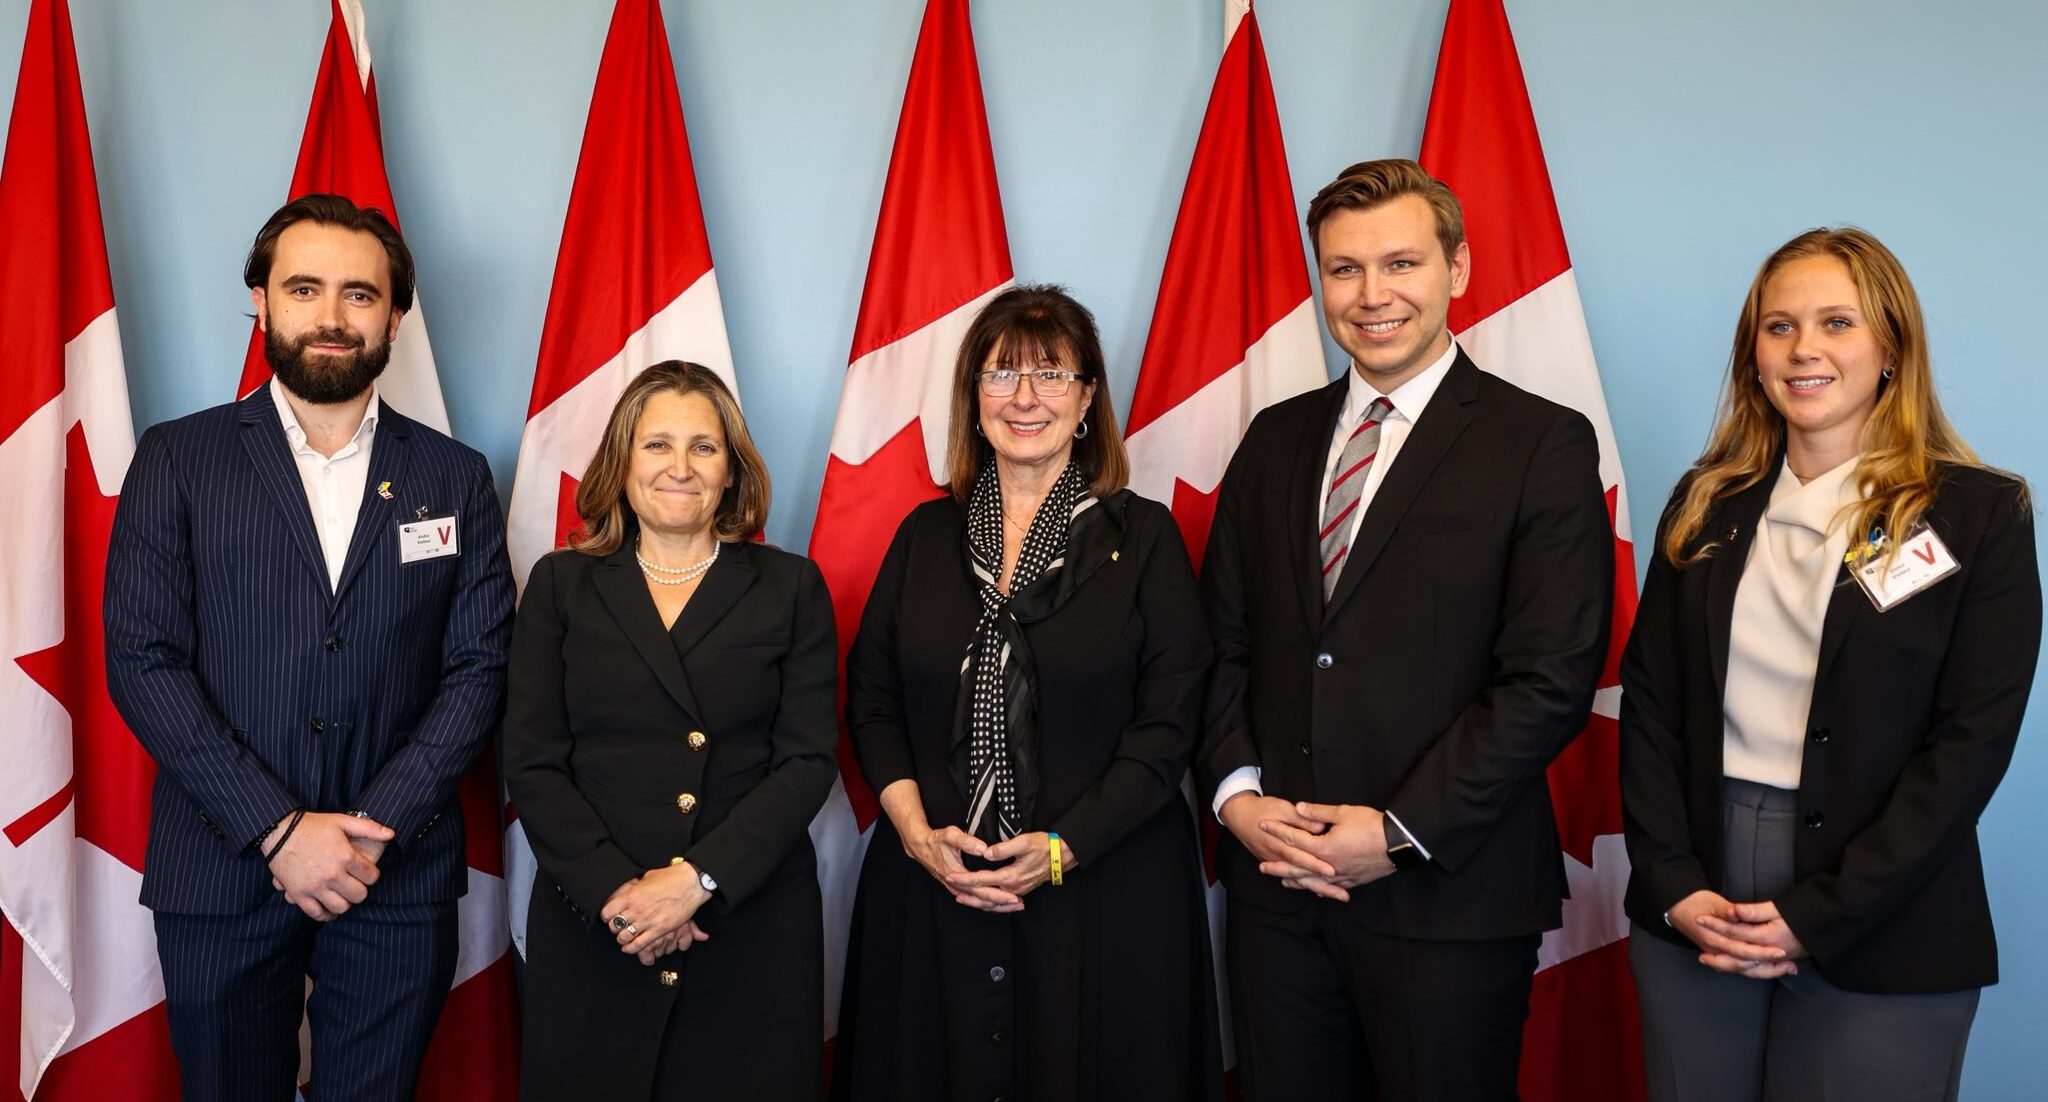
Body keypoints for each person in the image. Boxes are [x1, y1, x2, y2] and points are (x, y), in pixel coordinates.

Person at [1197, 158, 1614, 1102]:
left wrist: (1395, 831)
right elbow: (1218, 642)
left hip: (1448, 897)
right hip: (1279, 889)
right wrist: (1235, 797)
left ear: (1456, 270)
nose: (1371, 295)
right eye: (1344, 269)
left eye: (1401, 264)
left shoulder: (1541, 443)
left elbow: (1548, 679)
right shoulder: (1274, 438)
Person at [103, 193, 515, 1100]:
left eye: (360, 295)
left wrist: (369, 831)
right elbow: (142, 658)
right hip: (220, 864)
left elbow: (479, 668)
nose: (331, 317)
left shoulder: (454, 475)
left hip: (394, 870)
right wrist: (277, 829)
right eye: (303, 288)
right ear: (260, 300)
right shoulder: (177, 458)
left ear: (395, 315)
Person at [1620, 227, 2040, 1101]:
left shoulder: (1978, 515)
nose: (1804, 348)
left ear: (1889, 347)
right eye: (1779, 327)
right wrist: (1670, 884)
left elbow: (1969, 747)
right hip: (1704, 901)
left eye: (1836, 323)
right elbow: (1652, 706)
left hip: (1891, 912)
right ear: (1754, 354)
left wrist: (1822, 913)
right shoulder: (1707, 505)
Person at [831, 285, 1222, 1100]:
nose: (1025, 397)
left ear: (1086, 401)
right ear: (973, 400)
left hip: (1104, 891)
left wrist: (1062, 847)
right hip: (933, 881)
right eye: (1002, 374)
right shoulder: (923, 537)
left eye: (1050, 374)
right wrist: (913, 831)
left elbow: (1169, 724)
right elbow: (871, 699)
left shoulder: (1143, 539)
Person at [505, 360, 837, 1100]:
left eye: (703, 447)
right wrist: (623, 895)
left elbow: (807, 762)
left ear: (732, 471)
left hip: (744, 922)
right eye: (656, 445)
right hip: (598, 923)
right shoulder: (562, 585)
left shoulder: (790, 586)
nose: (679, 467)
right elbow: (532, 762)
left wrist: (696, 881)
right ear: (621, 462)